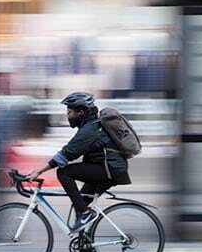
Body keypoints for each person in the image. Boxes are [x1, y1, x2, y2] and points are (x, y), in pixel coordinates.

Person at [28, 92, 131, 232]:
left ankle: (85, 214)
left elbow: (68, 153)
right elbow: (72, 151)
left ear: (81, 112)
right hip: (106, 169)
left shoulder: (91, 129)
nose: (68, 115)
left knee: (63, 172)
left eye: (70, 112)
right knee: (80, 202)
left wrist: (38, 171)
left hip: (109, 170)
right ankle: (85, 245)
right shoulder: (90, 125)